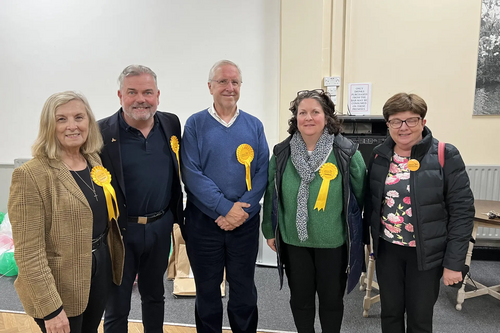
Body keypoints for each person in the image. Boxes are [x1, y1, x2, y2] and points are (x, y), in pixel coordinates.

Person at [8, 91, 124, 333]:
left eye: (79, 117)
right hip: (60, 282)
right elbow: (29, 253)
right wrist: (50, 309)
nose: (72, 126)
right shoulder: (31, 175)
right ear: (49, 125)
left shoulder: (93, 159)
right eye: (61, 119)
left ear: (89, 122)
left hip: (99, 266)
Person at [364, 92, 474, 333]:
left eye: (411, 120)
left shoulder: (446, 155)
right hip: (388, 251)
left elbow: (462, 212)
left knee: (420, 319)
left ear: (423, 122)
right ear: (388, 124)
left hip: (426, 254)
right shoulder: (379, 156)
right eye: (396, 121)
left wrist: (454, 263)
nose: (404, 127)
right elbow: (371, 203)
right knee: (390, 313)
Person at [261, 89, 366, 333]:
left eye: (315, 112)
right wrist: (269, 229)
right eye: (302, 112)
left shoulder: (347, 153)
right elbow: (271, 194)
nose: (308, 118)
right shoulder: (281, 153)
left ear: (327, 117)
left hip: (334, 243)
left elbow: (359, 198)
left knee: (331, 302)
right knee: (300, 301)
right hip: (294, 241)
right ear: (295, 118)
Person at [180, 59, 269, 333]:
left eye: (235, 82)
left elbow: (263, 171)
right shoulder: (195, 124)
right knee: (207, 292)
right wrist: (223, 209)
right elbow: (191, 174)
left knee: (244, 291)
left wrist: (242, 212)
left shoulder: (254, 125)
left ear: (240, 87)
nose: (229, 87)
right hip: (204, 223)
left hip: (244, 221)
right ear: (210, 87)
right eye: (222, 81)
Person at [99, 65, 183, 332]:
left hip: (160, 227)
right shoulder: (101, 132)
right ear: (120, 95)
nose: (140, 99)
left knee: (155, 296)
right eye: (131, 92)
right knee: (117, 305)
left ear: (157, 95)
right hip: (120, 232)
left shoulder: (171, 123)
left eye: (147, 92)